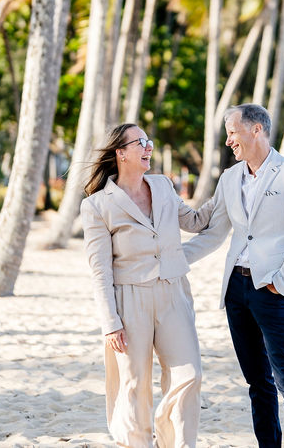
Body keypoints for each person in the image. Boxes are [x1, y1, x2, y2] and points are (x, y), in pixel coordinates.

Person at [183, 103, 284, 448]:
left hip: (272, 289)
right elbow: (212, 233)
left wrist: (282, 282)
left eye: (233, 132)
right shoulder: (230, 178)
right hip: (236, 290)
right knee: (257, 383)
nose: (229, 140)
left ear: (256, 129)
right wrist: (171, 260)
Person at [80, 123, 210, 448]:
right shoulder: (96, 205)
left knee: (189, 374)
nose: (149, 147)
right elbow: (100, 271)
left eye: (148, 141)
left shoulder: (163, 186)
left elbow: (195, 222)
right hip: (129, 300)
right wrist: (110, 323)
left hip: (173, 293)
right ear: (121, 153)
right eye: (141, 142)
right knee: (134, 385)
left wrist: (229, 195)